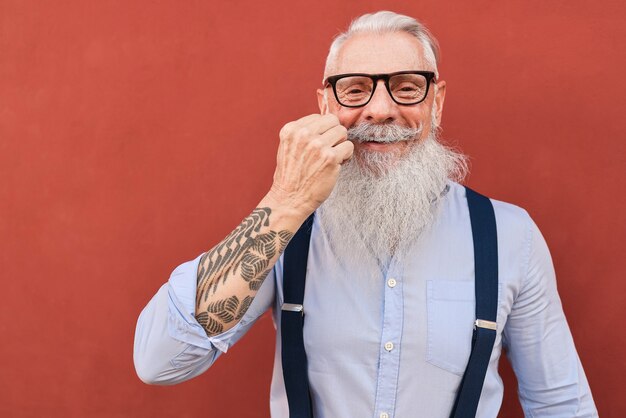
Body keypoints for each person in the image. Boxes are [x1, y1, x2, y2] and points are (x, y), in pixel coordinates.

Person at [133, 11, 597, 418]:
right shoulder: (287, 230)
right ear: (325, 106)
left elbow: (561, 405)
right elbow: (161, 360)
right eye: (354, 90)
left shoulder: (509, 236)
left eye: (406, 88)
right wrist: (286, 201)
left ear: (436, 104)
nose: (380, 110)